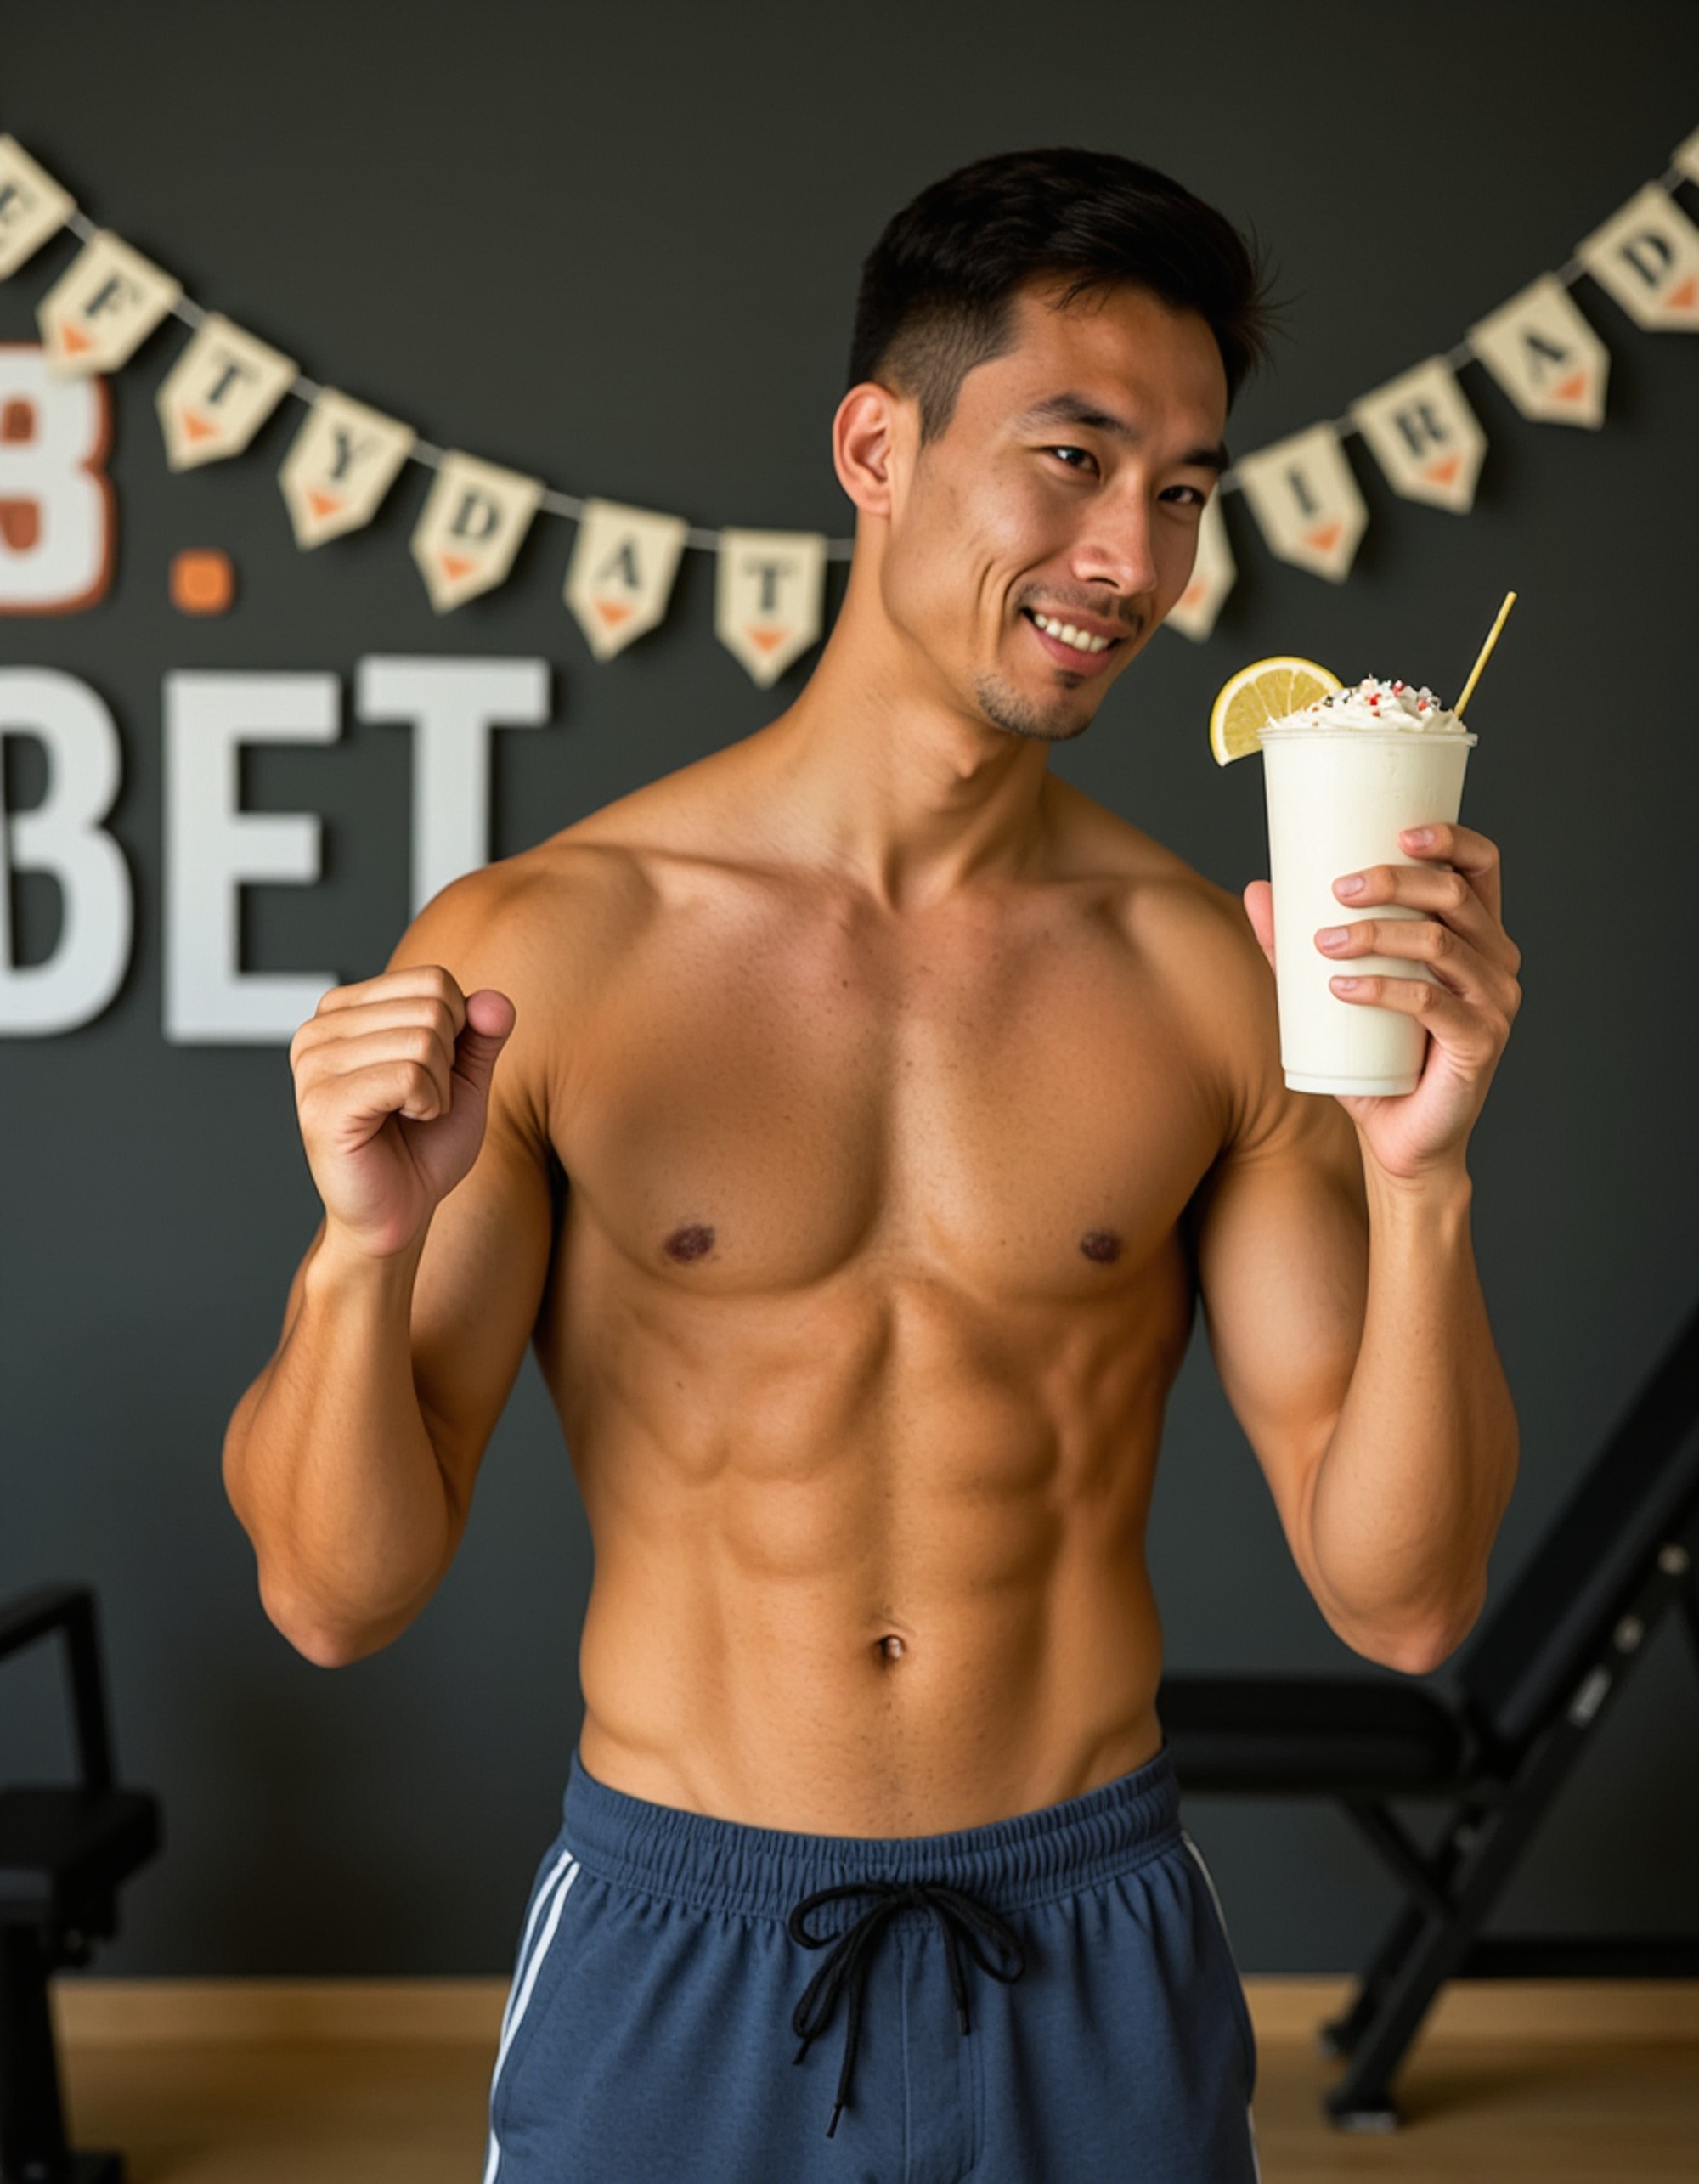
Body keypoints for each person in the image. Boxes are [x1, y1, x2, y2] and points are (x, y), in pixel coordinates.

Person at [223, 146, 1521, 2182]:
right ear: (875, 448)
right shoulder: (552, 945)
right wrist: (358, 1250)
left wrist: (1424, 1174)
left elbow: (1409, 1599)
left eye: (1183, 491)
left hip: (1090, 1937)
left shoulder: (1207, 977)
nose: (1132, 554)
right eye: (1072, 459)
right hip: (679, 1948)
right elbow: (329, 1595)